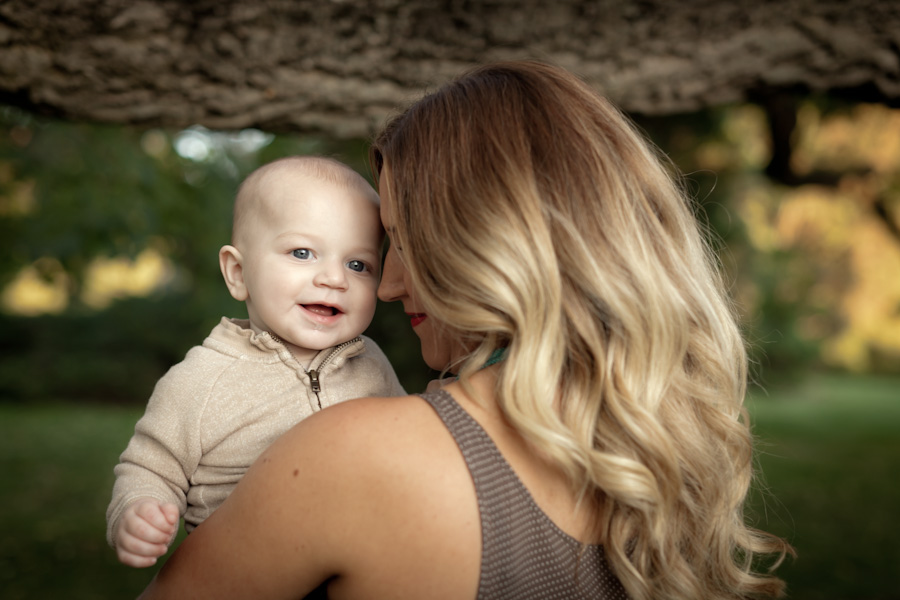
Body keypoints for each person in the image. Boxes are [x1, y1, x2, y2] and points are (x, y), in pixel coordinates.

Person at [139, 61, 791, 599]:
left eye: (402, 241)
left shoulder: (357, 456)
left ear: (491, 242)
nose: (388, 286)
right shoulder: (661, 461)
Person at [107, 156, 406, 568]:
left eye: (358, 264)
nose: (334, 279)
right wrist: (139, 509)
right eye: (302, 252)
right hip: (242, 575)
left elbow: (409, 440)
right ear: (238, 273)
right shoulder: (203, 379)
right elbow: (150, 467)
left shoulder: (371, 363)